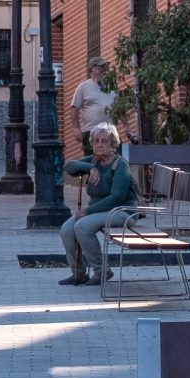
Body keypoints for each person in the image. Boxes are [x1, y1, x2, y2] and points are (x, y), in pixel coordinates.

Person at [59, 124, 136, 287]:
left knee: (82, 227)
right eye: (96, 141)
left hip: (122, 211)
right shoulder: (95, 161)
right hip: (99, 211)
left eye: (104, 141)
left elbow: (117, 197)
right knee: (66, 229)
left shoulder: (120, 165)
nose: (99, 145)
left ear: (113, 144)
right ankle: (78, 273)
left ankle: (101, 271)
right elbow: (69, 166)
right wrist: (91, 168)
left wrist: (88, 211)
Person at [70, 59, 117, 139]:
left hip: (110, 131)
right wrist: (76, 128)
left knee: (115, 151)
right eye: (101, 67)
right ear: (92, 68)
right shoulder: (83, 87)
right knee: (91, 152)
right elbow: (74, 108)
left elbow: (119, 108)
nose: (104, 69)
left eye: (105, 67)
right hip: (90, 131)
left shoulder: (111, 87)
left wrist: (126, 127)